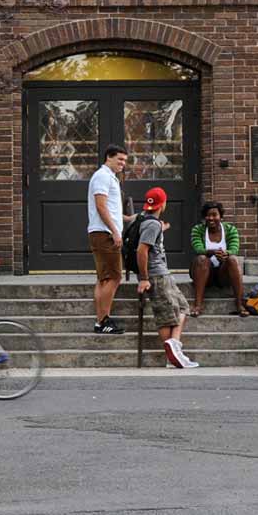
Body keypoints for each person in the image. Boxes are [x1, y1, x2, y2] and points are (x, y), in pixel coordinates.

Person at [133, 187, 198, 368]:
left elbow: (135, 221)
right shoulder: (152, 225)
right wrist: (144, 278)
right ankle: (171, 356)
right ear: (164, 204)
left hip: (162, 273)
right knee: (166, 315)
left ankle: (174, 347)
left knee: (183, 307)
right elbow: (141, 250)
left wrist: (162, 227)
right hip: (156, 275)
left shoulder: (145, 220)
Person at [87, 145, 130, 335]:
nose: (123, 164)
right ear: (108, 157)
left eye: (125, 161)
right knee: (114, 277)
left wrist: (129, 219)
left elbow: (111, 209)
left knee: (103, 279)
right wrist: (115, 231)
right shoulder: (103, 176)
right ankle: (104, 320)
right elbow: (101, 206)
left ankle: (100, 322)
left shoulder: (108, 176)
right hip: (105, 234)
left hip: (103, 232)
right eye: (119, 159)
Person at [188, 201, 243, 317]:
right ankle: (198, 305)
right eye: (208, 215)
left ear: (221, 217)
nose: (211, 218)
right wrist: (212, 252)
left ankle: (239, 304)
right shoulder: (198, 229)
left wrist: (225, 254)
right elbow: (198, 248)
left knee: (232, 259)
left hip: (222, 275)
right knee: (202, 259)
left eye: (214, 215)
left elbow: (235, 248)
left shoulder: (230, 229)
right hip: (203, 273)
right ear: (204, 217)